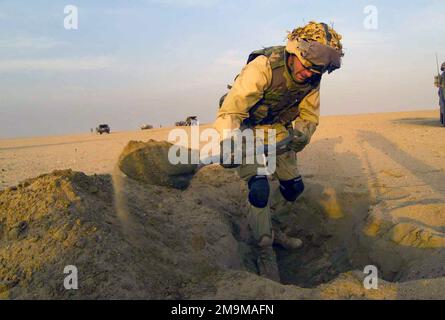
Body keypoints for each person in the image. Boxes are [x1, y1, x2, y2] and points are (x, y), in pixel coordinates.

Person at [213, 21, 344, 281]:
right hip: (246, 128)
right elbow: (231, 111)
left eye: (317, 71)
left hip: (277, 130)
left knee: (293, 190)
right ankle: (264, 248)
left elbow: (309, 116)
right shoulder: (262, 67)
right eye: (307, 67)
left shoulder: (312, 76)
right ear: (294, 51)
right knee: (259, 188)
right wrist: (229, 142)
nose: (310, 74)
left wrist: (300, 136)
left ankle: (271, 227)